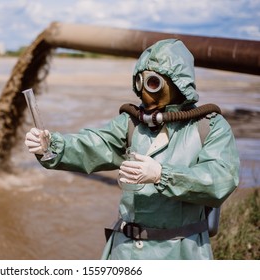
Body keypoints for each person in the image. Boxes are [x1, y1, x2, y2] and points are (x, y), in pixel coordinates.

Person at [24, 39, 240, 259]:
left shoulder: (208, 126)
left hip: (181, 252)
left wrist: (162, 175)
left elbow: (222, 178)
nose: (146, 92)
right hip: (126, 252)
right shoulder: (132, 124)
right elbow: (94, 144)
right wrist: (51, 145)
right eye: (141, 82)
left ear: (178, 82)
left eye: (153, 83)